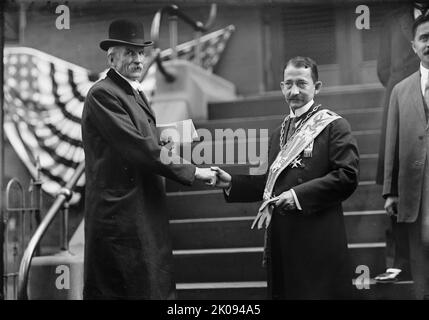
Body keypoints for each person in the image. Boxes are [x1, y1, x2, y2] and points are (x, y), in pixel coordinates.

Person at [81, 19, 216, 299]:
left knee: (150, 285)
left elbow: (144, 139)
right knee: (133, 289)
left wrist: (169, 135)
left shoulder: (130, 92)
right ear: (112, 57)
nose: (138, 59)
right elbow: (139, 147)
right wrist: (193, 171)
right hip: (121, 217)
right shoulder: (103, 94)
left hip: (140, 209)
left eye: (141, 52)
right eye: (130, 53)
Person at [212, 56, 359, 299]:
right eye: (288, 84)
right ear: (281, 87)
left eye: (302, 83)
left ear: (317, 87)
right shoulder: (277, 133)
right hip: (283, 238)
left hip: (318, 235)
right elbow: (269, 184)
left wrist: (297, 195)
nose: (294, 91)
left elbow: (347, 176)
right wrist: (231, 182)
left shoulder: (334, 126)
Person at [375, 1, 429, 283]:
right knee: (396, 176)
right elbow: (383, 68)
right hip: (403, 100)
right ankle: (399, 260)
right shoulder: (392, 20)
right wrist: (407, 90)